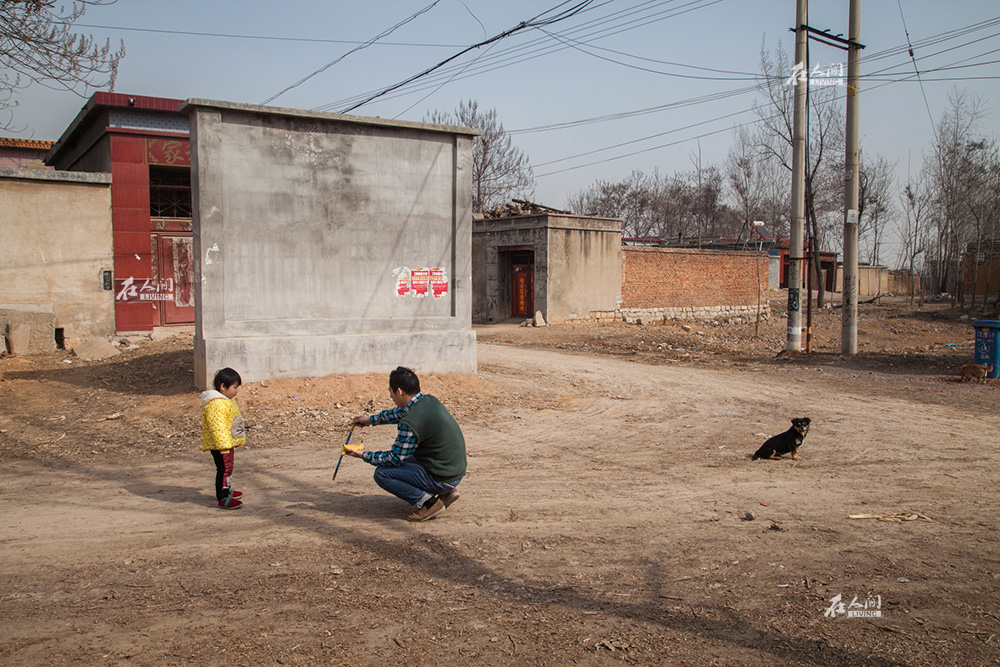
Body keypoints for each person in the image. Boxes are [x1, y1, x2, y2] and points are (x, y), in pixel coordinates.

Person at [346, 366, 466, 522]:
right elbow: (400, 413)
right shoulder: (428, 401)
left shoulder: (410, 424)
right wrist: (370, 420)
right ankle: (446, 491)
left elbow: (394, 458)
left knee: (383, 473)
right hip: (453, 470)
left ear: (399, 391)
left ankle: (429, 503)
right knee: (406, 458)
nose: (390, 396)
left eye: (390, 392)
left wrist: (364, 455)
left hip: (444, 476)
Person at [201, 367, 246, 510]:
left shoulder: (226, 401)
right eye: (234, 387)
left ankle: (226, 489)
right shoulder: (216, 405)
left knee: (227, 468)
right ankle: (223, 497)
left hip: (226, 443)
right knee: (224, 469)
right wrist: (224, 446)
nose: (236, 390)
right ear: (223, 387)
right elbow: (218, 428)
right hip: (221, 446)